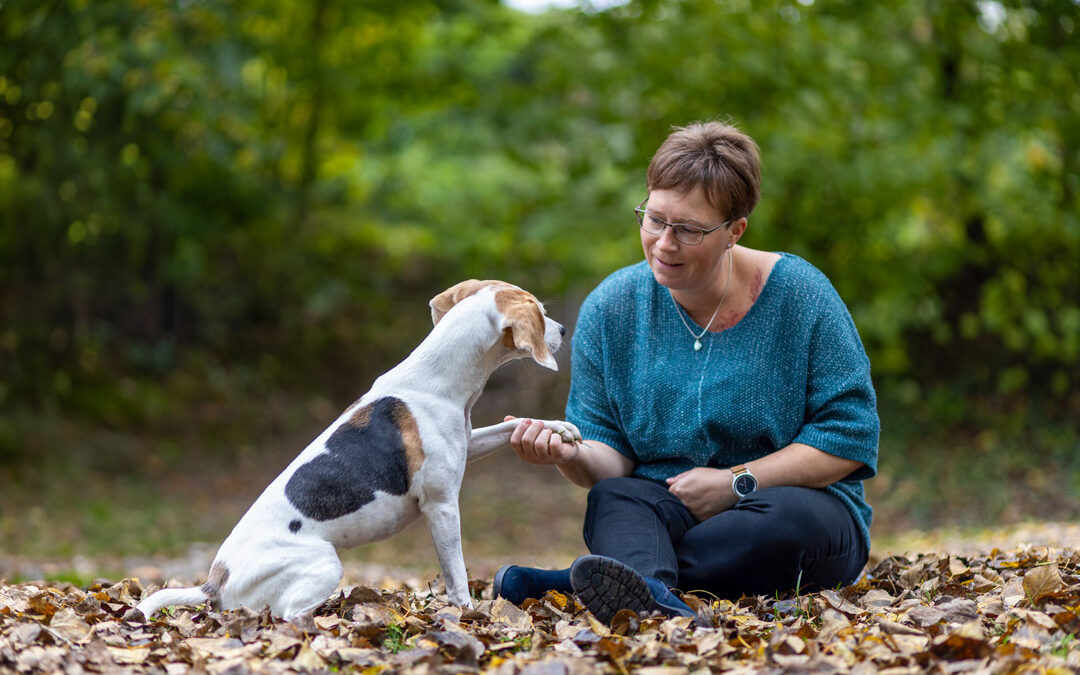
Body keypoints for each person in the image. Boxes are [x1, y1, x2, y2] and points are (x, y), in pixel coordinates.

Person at [493, 121, 879, 624]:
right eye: (654, 220)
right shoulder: (612, 308)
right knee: (614, 498)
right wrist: (568, 452)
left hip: (791, 508)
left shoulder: (801, 295)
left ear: (734, 231)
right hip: (663, 505)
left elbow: (847, 437)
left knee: (784, 522)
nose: (663, 243)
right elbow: (610, 461)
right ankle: (653, 596)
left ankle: (586, 583)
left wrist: (736, 482)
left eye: (689, 230)